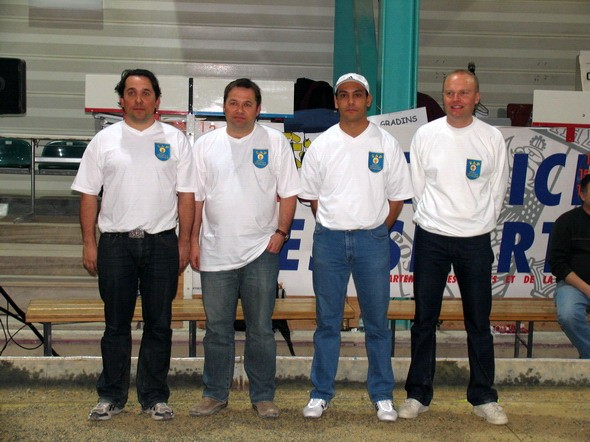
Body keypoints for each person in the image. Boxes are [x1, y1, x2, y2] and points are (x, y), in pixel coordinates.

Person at [72, 69, 196, 421]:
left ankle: (154, 396)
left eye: (145, 93)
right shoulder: (104, 141)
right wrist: (89, 242)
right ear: (121, 100)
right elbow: (88, 195)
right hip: (115, 246)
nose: (138, 99)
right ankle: (111, 395)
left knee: (159, 324)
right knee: (115, 324)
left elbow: (187, 195)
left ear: (157, 100)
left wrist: (184, 242)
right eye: (131, 92)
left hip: (162, 244)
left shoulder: (175, 140)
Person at [298, 73, 414, 422]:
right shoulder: (322, 145)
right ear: (336, 101)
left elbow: (397, 197)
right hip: (330, 240)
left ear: (368, 100)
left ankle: (382, 395)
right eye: (344, 95)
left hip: (372, 242)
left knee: (376, 322)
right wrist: (332, 224)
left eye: (357, 94)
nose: (350, 101)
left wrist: (377, 230)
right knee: (327, 323)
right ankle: (320, 393)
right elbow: (312, 197)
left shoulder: (386, 143)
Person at [399, 69, 509, 425]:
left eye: (463, 93)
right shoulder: (426, 134)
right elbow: (418, 187)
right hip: (432, 237)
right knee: (423, 320)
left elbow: (498, 189)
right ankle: (418, 394)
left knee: (478, 321)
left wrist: (477, 223)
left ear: (477, 97)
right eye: (450, 93)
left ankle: (483, 397)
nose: (456, 99)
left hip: (475, 240)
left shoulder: (491, 138)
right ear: (443, 96)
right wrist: (434, 220)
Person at [188, 78, 301, 419]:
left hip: (261, 252)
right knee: (217, 330)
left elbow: (290, 193)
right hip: (215, 252)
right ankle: (214, 394)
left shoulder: (275, 142)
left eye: (247, 104)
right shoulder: (205, 145)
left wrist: (281, 232)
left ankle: (263, 396)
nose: (240, 110)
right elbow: (196, 198)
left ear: (258, 109)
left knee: (261, 329)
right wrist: (192, 240)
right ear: (224, 106)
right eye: (233, 103)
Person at [548, 173, 590, 359]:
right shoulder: (566, 221)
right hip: (573, 287)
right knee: (568, 315)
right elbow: (558, 264)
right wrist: (586, 289)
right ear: (582, 195)